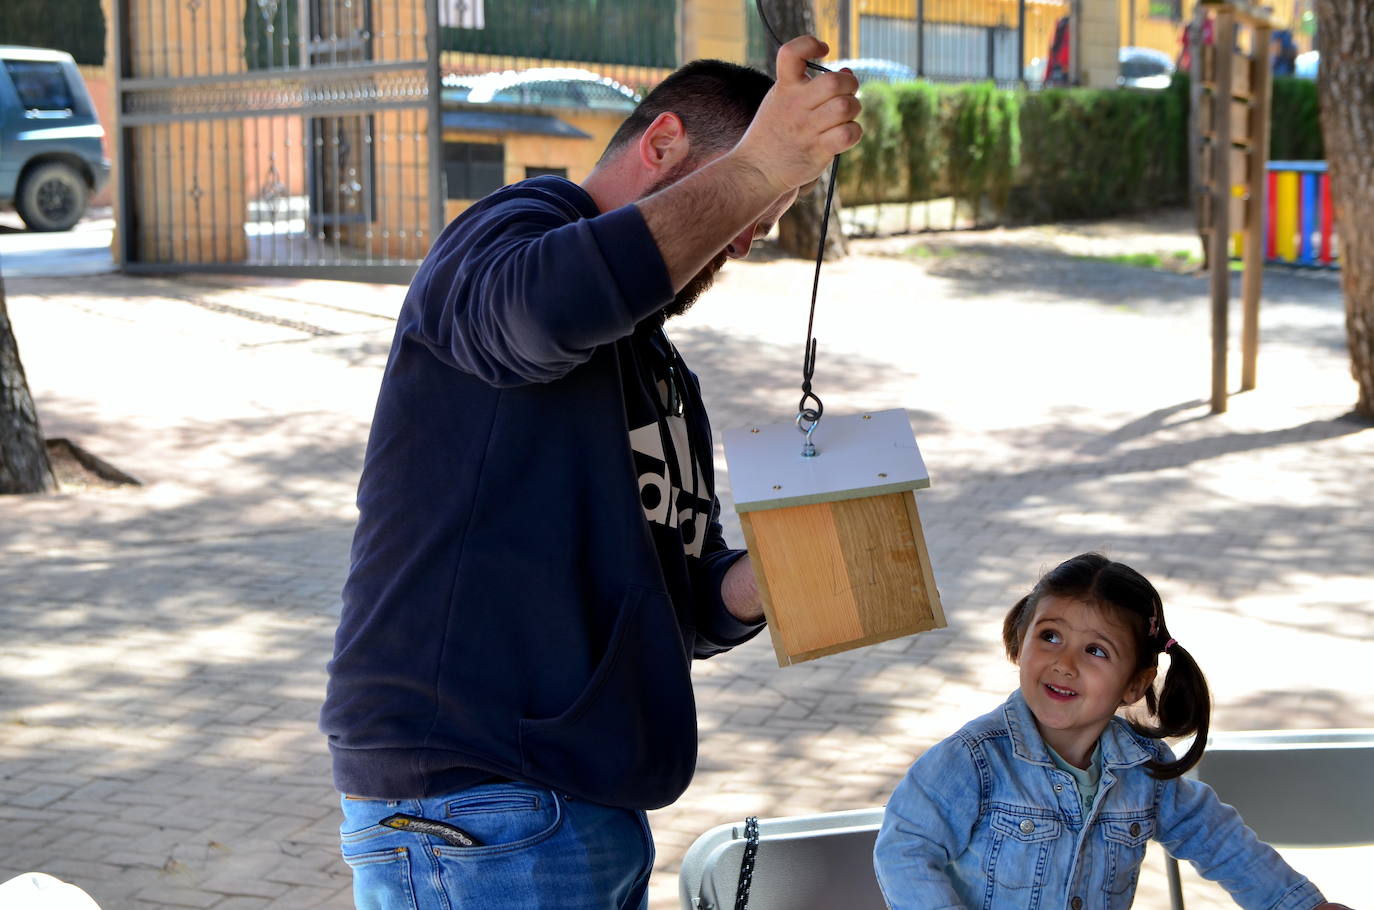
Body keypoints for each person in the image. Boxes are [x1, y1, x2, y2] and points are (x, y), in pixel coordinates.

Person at [318, 36, 863, 910]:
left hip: (587, 808)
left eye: (759, 224)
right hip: (475, 802)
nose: (740, 240)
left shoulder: (663, 374)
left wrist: (773, 573)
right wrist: (764, 164)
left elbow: (678, 602)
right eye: (740, 201)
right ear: (663, 143)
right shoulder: (508, 231)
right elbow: (542, 312)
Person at [873, 553, 1355, 910]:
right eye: (1050, 636)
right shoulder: (973, 760)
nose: (1064, 663)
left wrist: (1299, 905)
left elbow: (1215, 837)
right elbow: (904, 850)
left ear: (1135, 684)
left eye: (1096, 651)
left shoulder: (1145, 769)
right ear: (1020, 641)